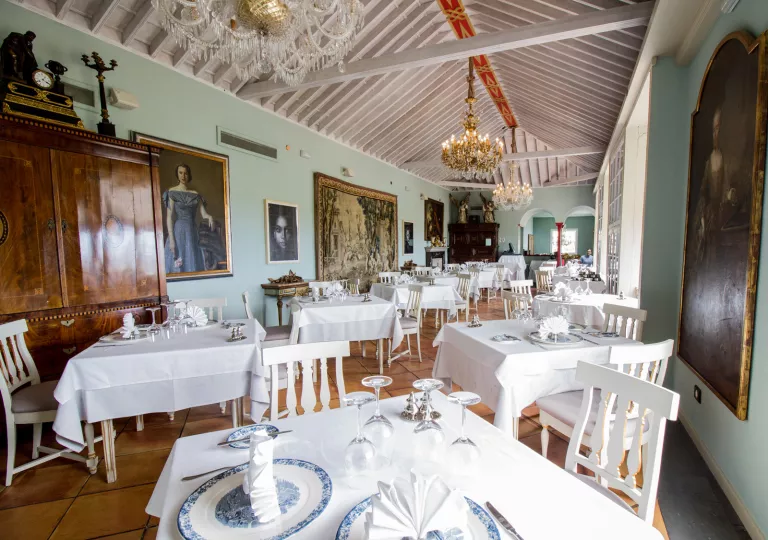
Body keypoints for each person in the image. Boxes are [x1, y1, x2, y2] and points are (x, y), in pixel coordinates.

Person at [163, 163, 215, 273]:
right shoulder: (172, 192)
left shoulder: (195, 194)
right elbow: (169, 217)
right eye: (180, 173)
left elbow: (203, 213)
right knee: (178, 261)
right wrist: (172, 239)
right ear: (177, 175)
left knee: (192, 260)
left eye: (185, 173)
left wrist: (209, 217)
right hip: (179, 231)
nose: (183, 176)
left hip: (192, 231)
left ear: (189, 175)